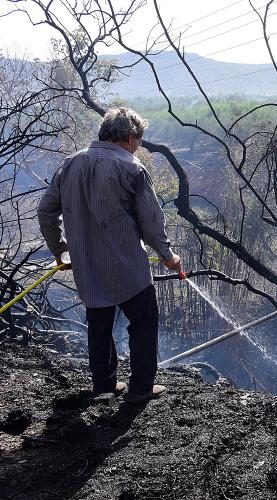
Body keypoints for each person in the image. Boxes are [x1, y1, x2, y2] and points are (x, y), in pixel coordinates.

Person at [38, 107, 184, 403]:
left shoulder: (70, 164)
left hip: (87, 265)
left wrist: (60, 249)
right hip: (128, 266)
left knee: (99, 324)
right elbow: (151, 223)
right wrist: (168, 255)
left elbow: (45, 212)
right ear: (130, 138)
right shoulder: (132, 168)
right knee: (143, 323)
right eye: (139, 141)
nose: (138, 147)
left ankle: (104, 385)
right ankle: (141, 388)